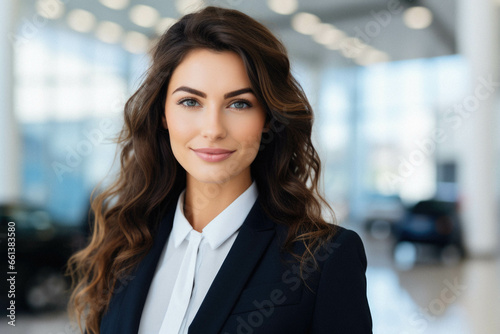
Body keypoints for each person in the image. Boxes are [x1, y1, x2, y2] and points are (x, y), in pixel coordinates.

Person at [67, 6, 372, 334]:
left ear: (267, 117)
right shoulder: (126, 241)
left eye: (239, 103)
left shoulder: (324, 259)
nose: (212, 129)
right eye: (190, 102)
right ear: (163, 114)